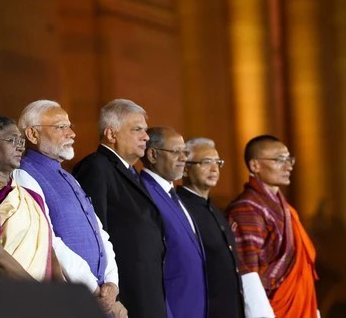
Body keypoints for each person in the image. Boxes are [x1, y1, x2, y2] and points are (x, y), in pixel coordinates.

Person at [14, 100, 127, 318]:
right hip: (73, 299)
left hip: (100, 297)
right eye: (60, 127)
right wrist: (93, 289)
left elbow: (100, 232)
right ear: (32, 134)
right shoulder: (24, 175)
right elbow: (48, 240)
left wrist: (112, 284)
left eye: (70, 126)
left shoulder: (69, 177)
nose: (71, 134)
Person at [74, 99, 168, 318]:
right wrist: (113, 296)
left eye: (145, 130)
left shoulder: (129, 171)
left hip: (146, 290)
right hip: (125, 296)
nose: (146, 136)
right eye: (137, 130)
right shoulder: (96, 167)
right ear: (111, 134)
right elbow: (94, 235)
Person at [226, 135, 319, 318]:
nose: (289, 166)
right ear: (255, 166)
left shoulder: (288, 210)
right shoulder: (247, 209)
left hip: (299, 307)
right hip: (269, 309)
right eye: (279, 160)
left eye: (289, 159)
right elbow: (246, 272)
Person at [0, 114, 64, 282]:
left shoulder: (30, 195)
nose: (20, 147)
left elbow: (48, 249)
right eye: (12, 140)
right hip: (10, 296)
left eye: (21, 141)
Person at [140, 126, 207, 318]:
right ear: (153, 155)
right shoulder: (144, 194)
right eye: (176, 152)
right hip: (171, 308)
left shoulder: (173, 194)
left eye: (184, 152)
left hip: (194, 306)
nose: (184, 158)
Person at [177, 137, 244, 318]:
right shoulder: (180, 208)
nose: (214, 169)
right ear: (185, 169)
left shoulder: (214, 208)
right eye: (206, 162)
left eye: (217, 162)